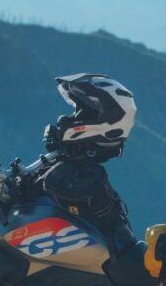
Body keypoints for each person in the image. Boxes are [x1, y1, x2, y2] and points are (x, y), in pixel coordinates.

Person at [37, 73, 141, 256]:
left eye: (82, 113)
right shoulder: (63, 167)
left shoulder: (82, 177)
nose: (66, 119)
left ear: (103, 120)